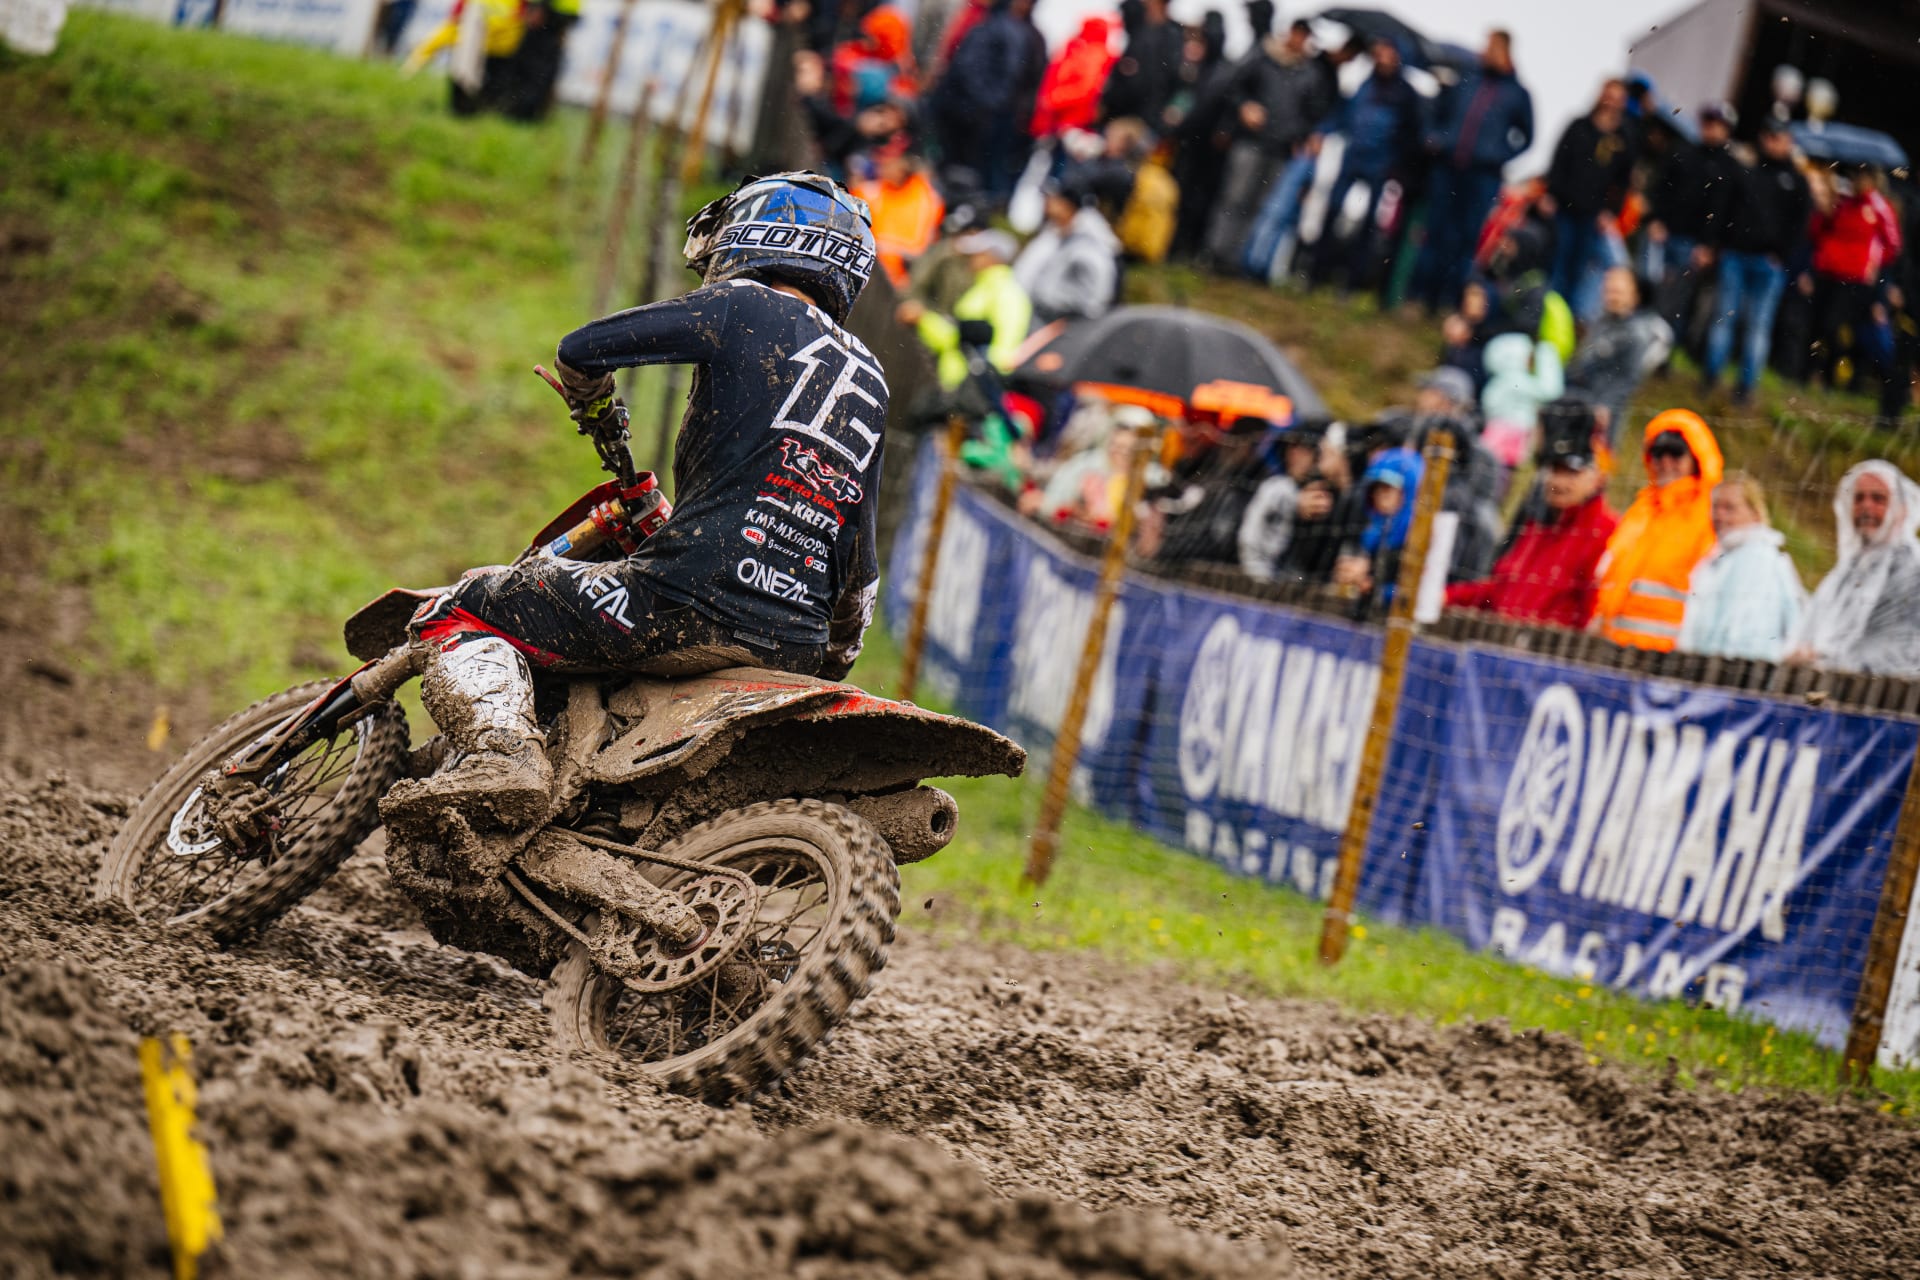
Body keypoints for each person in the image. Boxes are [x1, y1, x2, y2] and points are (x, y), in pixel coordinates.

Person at [382, 173, 886, 828]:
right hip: (792, 646)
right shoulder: (872, 375)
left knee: (467, 604)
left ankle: (503, 758)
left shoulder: (746, 305)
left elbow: (580, 349)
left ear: (757, 230)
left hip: (682, 600)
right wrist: (827, 664)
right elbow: (859, 570)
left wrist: (594, 404)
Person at [1445, 412, 1616, 628]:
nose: (1559, 482)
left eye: (1572, 473)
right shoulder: (1537, 526)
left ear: (1597, 479)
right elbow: (1500, 590)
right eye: (1555, 471)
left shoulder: (1607, 534)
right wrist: (1448, 597)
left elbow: (1595, 611)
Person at [1411, 30, 1533, 313]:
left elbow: (1527, 137)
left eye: (1493, 47)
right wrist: (1436, 137)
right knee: (1435, 231)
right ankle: (1419, 297)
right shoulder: (1467, 78)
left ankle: (1451, 302)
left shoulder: (1517, 94)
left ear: (1506, 52)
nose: (1486, 51)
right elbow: (1438, 109)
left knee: (1466, 239)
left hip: (1482, 177)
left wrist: (1498, 155)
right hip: (1448, 168)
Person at [1205, 20, 1332, 272]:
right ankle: (1215, 252)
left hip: (1281, 150)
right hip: (1250, 141)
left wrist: (1302, 135)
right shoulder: (1263, 58)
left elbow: (1313, 112)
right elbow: (1234, 88)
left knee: (1258, 205)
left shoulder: (1310, 73)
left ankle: (1235, 259)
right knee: (1234, 198)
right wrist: (1245, 107)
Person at [1593, 408, 1723, 651]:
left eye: (1676, 454)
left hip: (1663, 654)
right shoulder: (1641, 510)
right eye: (1658, 453)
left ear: (1696, 459)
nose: (1665, 463)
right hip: (1609, 644)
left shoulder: (1710, 517)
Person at [1703, 117, 1811, 404]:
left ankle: (1746, 387)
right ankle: (1711, 375)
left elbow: (1800, 226)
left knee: (1758, 325)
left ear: (1788, 141)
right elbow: (1725, 209)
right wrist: (1717, 245)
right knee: (1724, 317)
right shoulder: (1746, 172)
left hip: (1769, 263)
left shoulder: (1796, 181)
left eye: (1779, 137)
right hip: (1736, 256)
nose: (1774, 143)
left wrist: (1783, 256)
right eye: (1770, 136)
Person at [1305, 36, 1425, 295]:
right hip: (1353, 158)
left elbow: (1411, 134)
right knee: (1332, 212)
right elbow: (1344, 114)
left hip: (1381, 164)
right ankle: (1315, 276)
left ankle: (1350, 284)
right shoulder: (1365, 84)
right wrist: (1323, 132)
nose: (1381, 58)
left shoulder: (1405, 94)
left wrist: (1397, 164)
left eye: (1386, 53)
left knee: (1368, 226)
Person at [1786, 461, 1920, 675]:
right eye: (1858, 498)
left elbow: (1904, 650)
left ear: (1901, 510)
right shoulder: (1846, 571)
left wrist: (1826, 660)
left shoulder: (1911, 569)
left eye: (1878, 499)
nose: (1866, 506)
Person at [1678, 471, 1805, 661]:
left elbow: (1744, 631)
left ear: (1755, 514)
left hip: (1742, 670)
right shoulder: (1716, 561)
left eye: (1729, 508)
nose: (1719, 515)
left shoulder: (1761, 558)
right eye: (1715, 507)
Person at [1541, 79, 1634, 323]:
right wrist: (1550, 193)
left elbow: (1623, 182)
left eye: (1617, 98)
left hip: (1592, 216)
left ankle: (1570, 321)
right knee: (1557, 262)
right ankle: (1548, 315)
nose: (1611, 102)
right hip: (1565, 208)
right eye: (1609, 95)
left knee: (1580, 269)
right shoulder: (1580, 126)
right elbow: (1559, 160)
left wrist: (1611, 211)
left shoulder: (1623, 138)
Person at [897, 229, 1032, 389]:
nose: (970, 259)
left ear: (992, 258)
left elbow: (1000, 353)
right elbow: (958, 336)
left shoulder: (1006, 293)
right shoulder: (985, 287)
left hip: (964, 389)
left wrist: (923, 319)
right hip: (953, 383)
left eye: (977, 253)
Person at [1811, 164, 1904, 393]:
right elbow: (1823, 231)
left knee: (1842, 328)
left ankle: (1837, 378)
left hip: (1857, 280)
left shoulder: (1879, 206)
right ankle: (1822, 375)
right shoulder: (1844, 202)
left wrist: (1872, 263)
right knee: (1823, 325)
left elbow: (1893, 244)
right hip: (1831, 273)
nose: (1856, 181)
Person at [1566, 267, 1672, 443]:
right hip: (1579, 402)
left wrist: (1606, 404)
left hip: (1604, 412)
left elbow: (1629, 378)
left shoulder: (1637, 333)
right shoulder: (1601, 321)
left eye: (1617, 292)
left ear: (1634, 295)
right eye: (1608, 290)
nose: (1611, 296)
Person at [1014, 182, 1120, 324]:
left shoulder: (1089, 240)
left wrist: (1050, 301)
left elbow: (1096, 297)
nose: (1046, 203)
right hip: (1036, 314)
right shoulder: (1054, 230)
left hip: (1066, 323)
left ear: (1067, 203)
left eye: (1053, 198)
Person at [852, 140, 945, 289]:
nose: (882, 167)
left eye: (888, 162)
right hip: (870, 273)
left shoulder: (928, 197)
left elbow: (919, 247)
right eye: (880, 162)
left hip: (908, 279)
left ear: (905, 163)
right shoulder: (868, 192)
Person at [1479, 330, 1564, 470]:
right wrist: (1546, 354)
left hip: (1504, 435)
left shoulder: (1504, 380)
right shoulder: (1516, 379)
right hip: (1510, 435)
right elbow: (1550, 391)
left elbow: (1489, 403)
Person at [1030, 14, 1119, 141]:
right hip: (1062, 120)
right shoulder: (1078, 50)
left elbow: (1086, 88)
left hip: (1075, 121)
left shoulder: (1094, 54)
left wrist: (1055, 98)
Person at [1101, 0, 1184, 133]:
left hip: (1146, 122)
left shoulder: (1171, 35)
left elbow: (1175, 80)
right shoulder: (1142, 34)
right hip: (1132, 117)